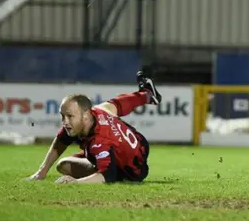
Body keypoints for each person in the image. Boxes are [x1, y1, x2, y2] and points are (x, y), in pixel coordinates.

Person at [25, 70, 161, 184]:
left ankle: (122, 176)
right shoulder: (96, 111)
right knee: (109, 106)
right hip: (139, 144)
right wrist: (41, 172)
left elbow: (108, 175)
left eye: (70, 116)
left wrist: (76, 182)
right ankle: (147, 94)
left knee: (64, 165)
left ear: (85, 115)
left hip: (133, 171)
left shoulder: (99, 141)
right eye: (63, 116)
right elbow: (62, 138)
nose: (65, 122)